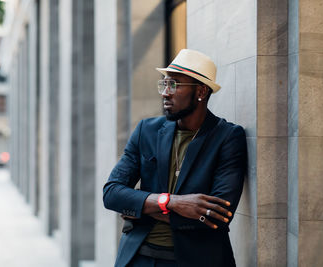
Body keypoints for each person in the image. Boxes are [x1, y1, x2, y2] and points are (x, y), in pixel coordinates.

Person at [103, 49, 247, 267]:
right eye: (164, 84)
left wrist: (142, 207)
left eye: (174, 85)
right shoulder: (147, 130)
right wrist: (172, 202)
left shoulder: (227, 137)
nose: (165, 93)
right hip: (139, 257)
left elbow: (217, 216)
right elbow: (112, 193)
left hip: (198, 260)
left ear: (200, 91)